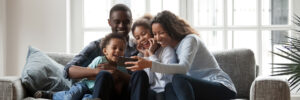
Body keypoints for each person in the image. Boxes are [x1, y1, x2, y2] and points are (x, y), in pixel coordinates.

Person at [126, 10, 237, 100]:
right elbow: (134, 40)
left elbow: (183, 68)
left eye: (161, 33)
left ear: (171, 29)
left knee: (178, 79)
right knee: (169, 87)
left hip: (220, 86)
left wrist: (149, 63)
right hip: (196, 87)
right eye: (155, 34)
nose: (157, 38)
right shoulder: (170, 48)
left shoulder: (190, 40)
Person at [60, 4, 147, 100]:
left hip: (125, 92)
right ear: (109, 22)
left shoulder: (136, 48)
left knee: (141, 74)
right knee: (104, 74)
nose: (122, 26)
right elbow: (68, 70)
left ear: (131, 22)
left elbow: (140, 81)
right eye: (117, 22)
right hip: (104, 90)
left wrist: (117, 73)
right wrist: (96, 71)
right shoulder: (97, 46)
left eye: (126, 22)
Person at [35, 33, 129, 99]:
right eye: (114, 48)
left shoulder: (122, 65)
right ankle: (52, 95)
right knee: (70, 97)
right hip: (85, 85)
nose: (118, 51)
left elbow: (123, 80)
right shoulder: (100, 60)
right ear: (105, 51)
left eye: (121, 49)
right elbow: (88, 72)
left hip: (96, 91)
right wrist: (98, 74)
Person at [131, 14, 177, 99]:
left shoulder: (167, 50)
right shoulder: (142, 55)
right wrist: (146, 55)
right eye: (138, 38)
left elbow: (163, 77)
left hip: (165, 91)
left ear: (152, 33)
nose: (142, 39)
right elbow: (149, 80)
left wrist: (151, 54)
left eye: (144, 34)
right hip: (151, 91)